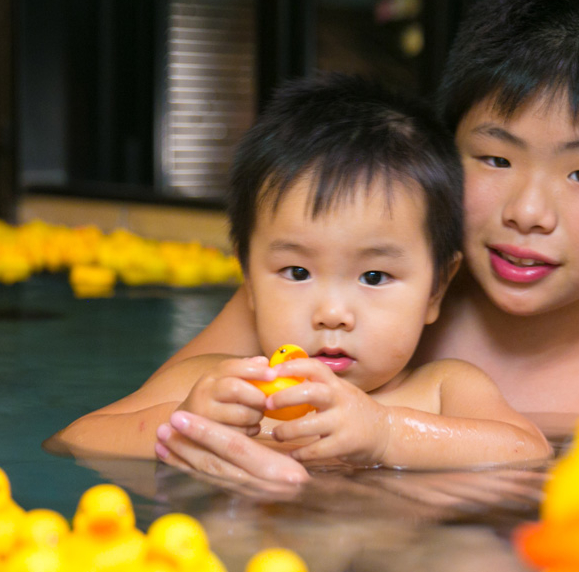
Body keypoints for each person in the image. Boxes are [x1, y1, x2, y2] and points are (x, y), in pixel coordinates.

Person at [55, 0, 579, 485]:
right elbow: (113, 434)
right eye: (493, 158)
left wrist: (389, 435)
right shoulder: (310, 292)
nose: (528, 213)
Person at [56, 73, 550, 474]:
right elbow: (75, 438)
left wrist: (388, 433)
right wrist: (185, 424)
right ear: (248, 278)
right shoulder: (217, 383)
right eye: (296, 271)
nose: (331, 313)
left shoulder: (443, 390)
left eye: (374, 277)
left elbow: (527, 452)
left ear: (436, 289)